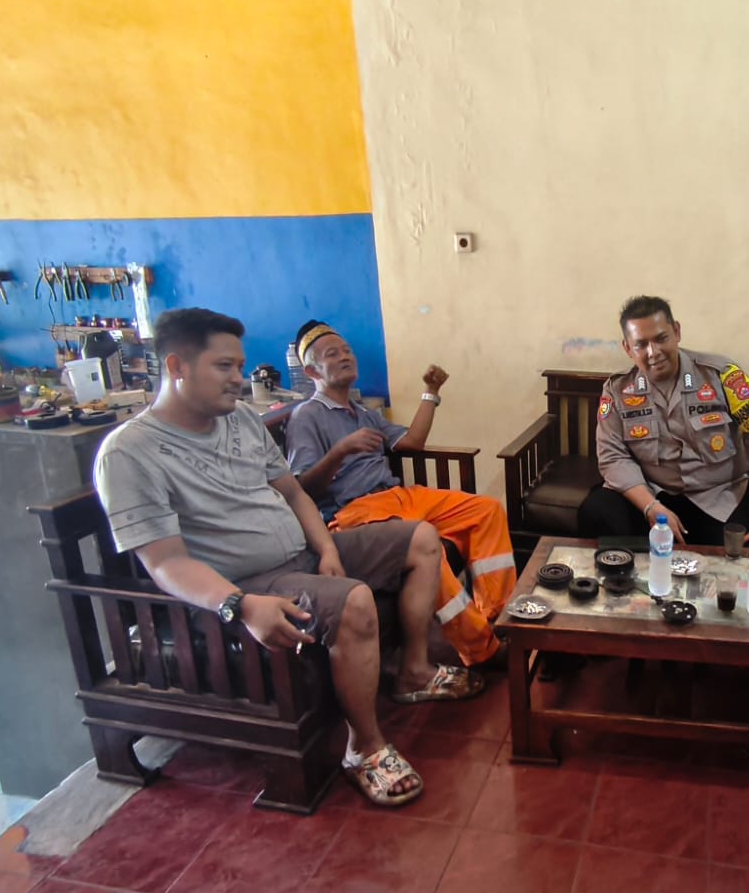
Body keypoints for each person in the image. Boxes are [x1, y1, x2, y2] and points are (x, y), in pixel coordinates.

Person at [92, 308, 484, 810]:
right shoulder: (130, 452)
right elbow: (165, 563)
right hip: (249, 582)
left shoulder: (240, 419)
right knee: (354, 600)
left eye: (240, 366)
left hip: (302, 553)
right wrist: (239, 604)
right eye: (224, 366)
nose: (239, 379)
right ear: (177, 366)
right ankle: (364, 747)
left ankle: (413, 672)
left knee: (421, 538)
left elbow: (295, 493)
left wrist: (327, 548)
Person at [283, 320, 513, 668]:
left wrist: (431, 391)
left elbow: (413, 442)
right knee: (428, 549)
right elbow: (303, 490)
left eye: (347, 351)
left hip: (398, 496)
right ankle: (482, 649)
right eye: (332, 354)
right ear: (312, 371)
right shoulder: (307, 416)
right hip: (356, 512)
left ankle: (502, 620)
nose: (345, 357)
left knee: (487, 510)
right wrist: (341, 451)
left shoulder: (364, 412)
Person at [582, 295, 749, 547]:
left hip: (719, 496)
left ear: (677, 332)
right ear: (628, 349)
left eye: (661, 338)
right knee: (597, 510)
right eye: (641, 344)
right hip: (654, 494)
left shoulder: (722, 375)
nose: (653, 352)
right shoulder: (617, 390)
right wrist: (651, 507)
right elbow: (612, 456)